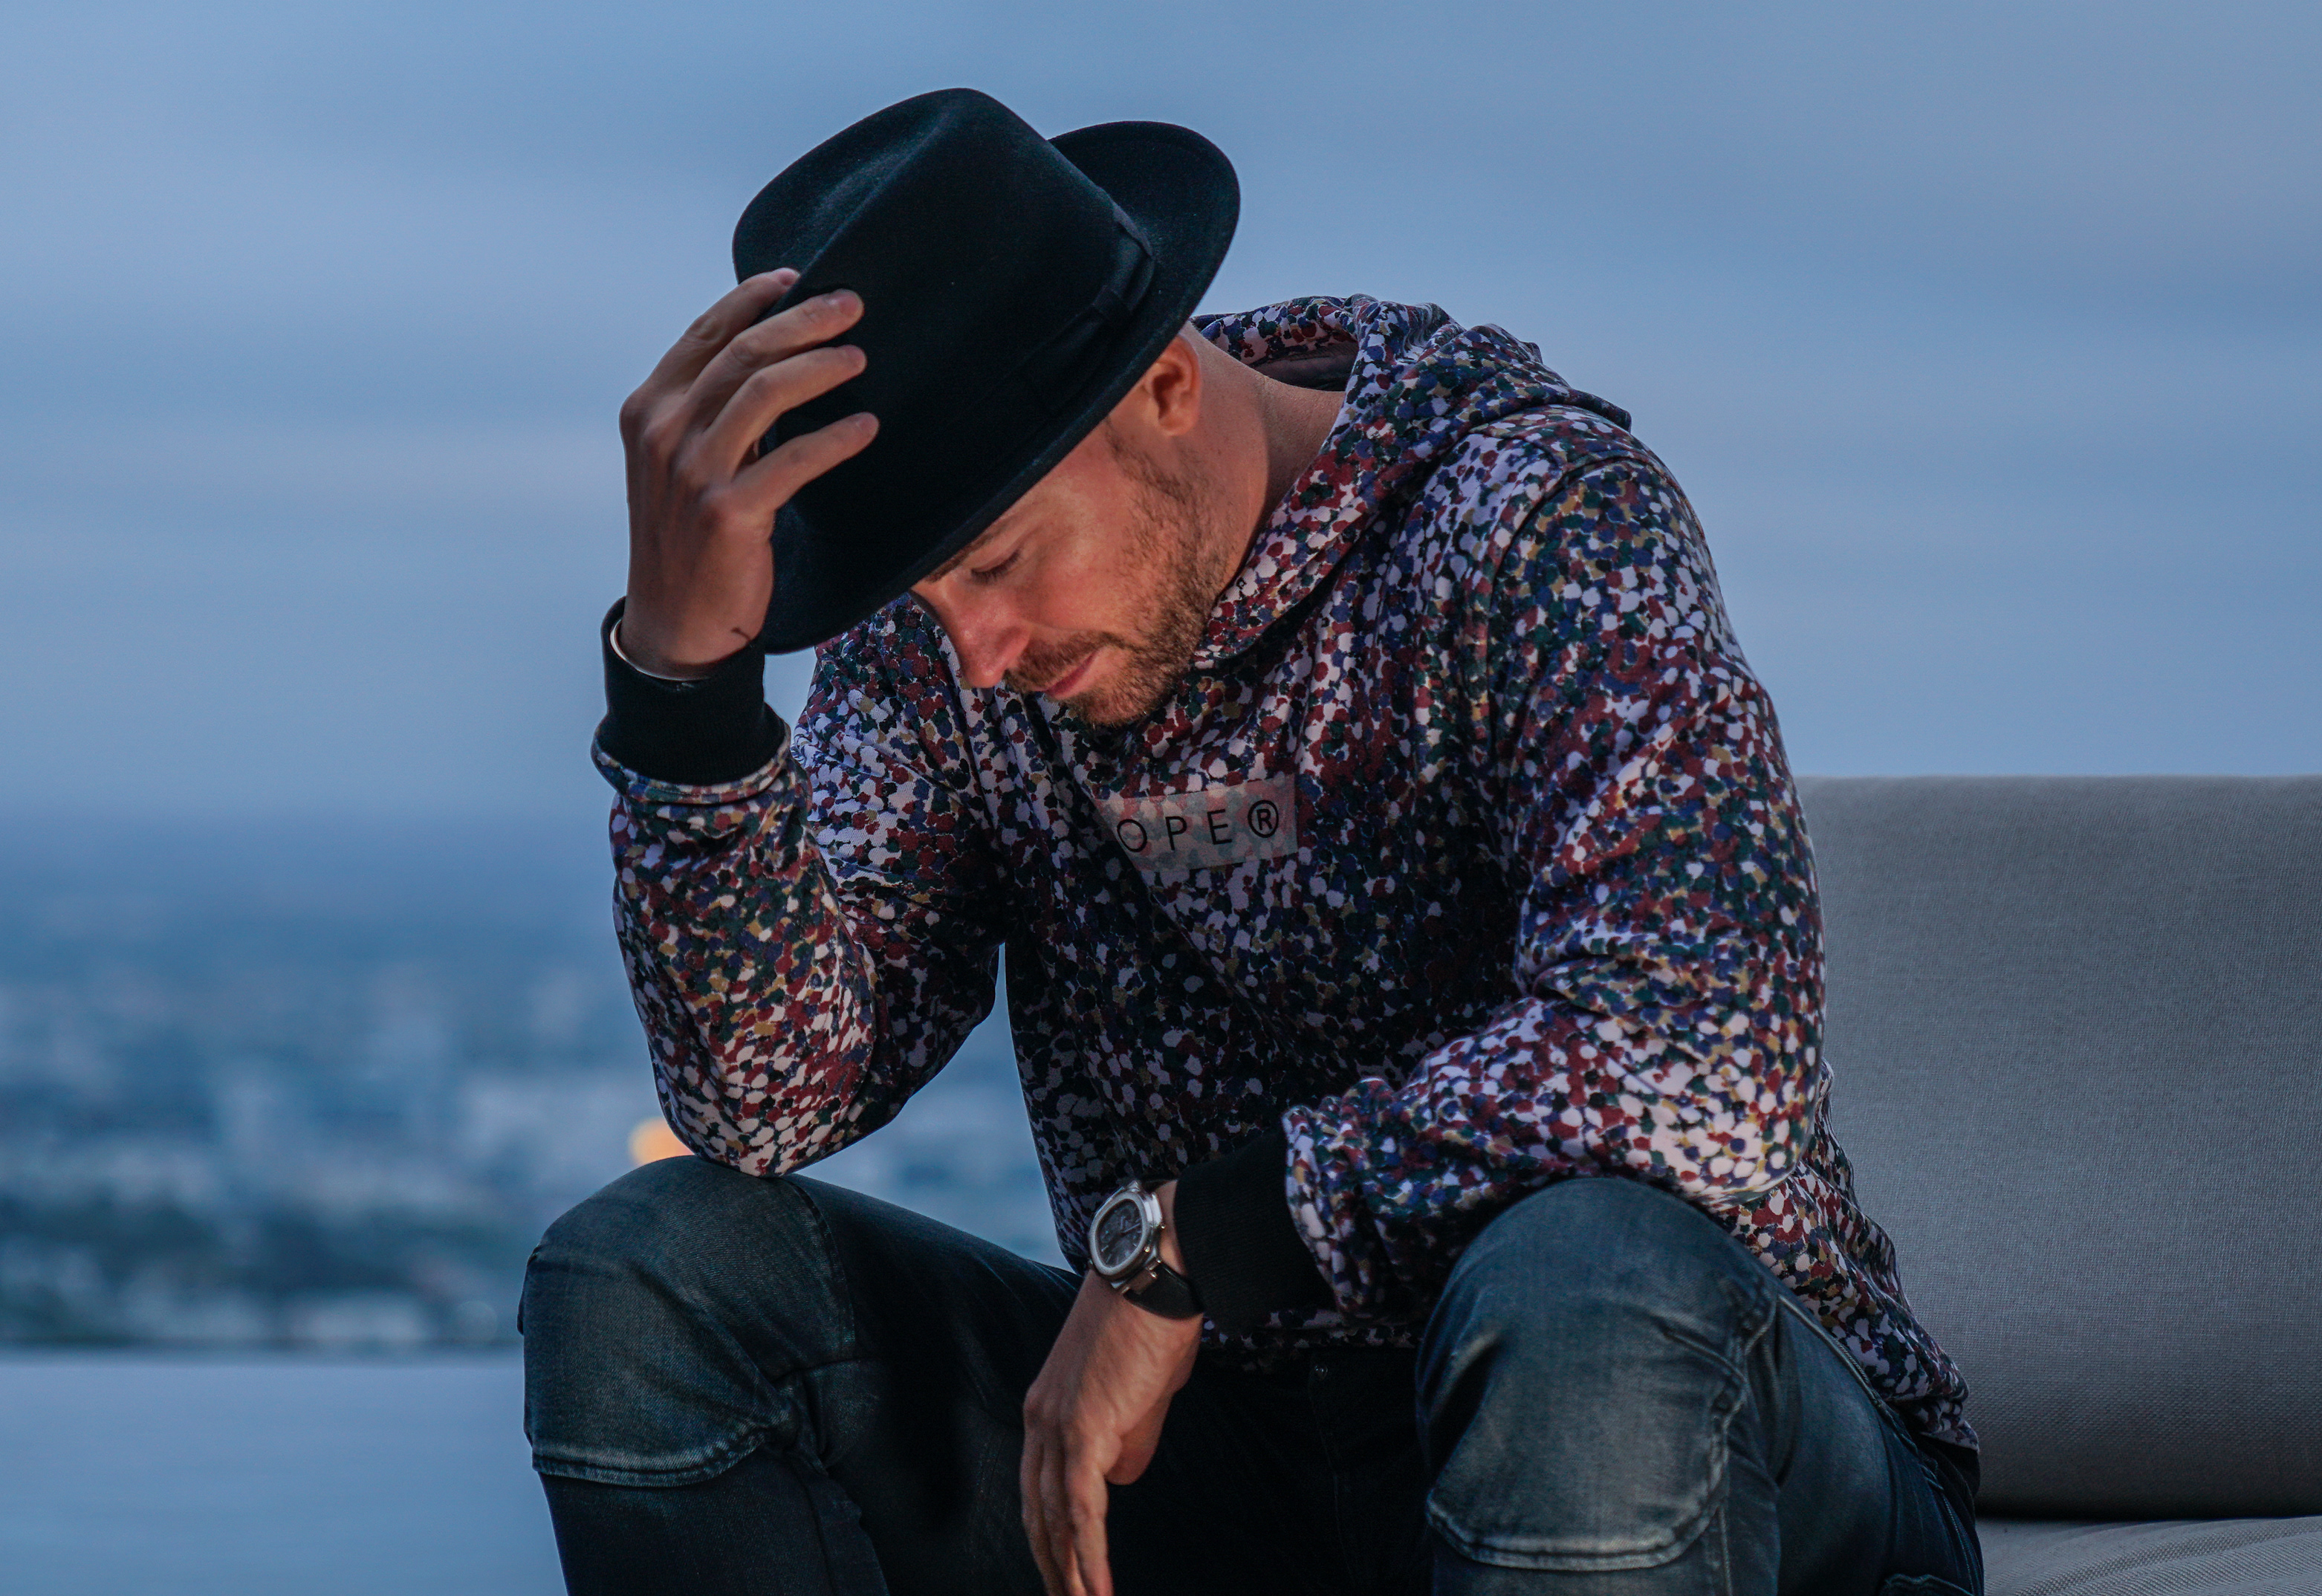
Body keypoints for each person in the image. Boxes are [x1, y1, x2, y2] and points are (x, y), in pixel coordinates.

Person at [522, 88, 1982, 1596]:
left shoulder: (1534, 520)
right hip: (1221, 1456)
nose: (975, 653)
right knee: (647, 1284)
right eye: (928, 596)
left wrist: (1197, 1243)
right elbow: (767, 1101)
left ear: (1164, 384)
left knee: (1585, 1291)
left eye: (1002, 563)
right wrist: (687, 690)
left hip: (1679, 1418)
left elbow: (1700, 1050)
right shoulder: (944, 648)